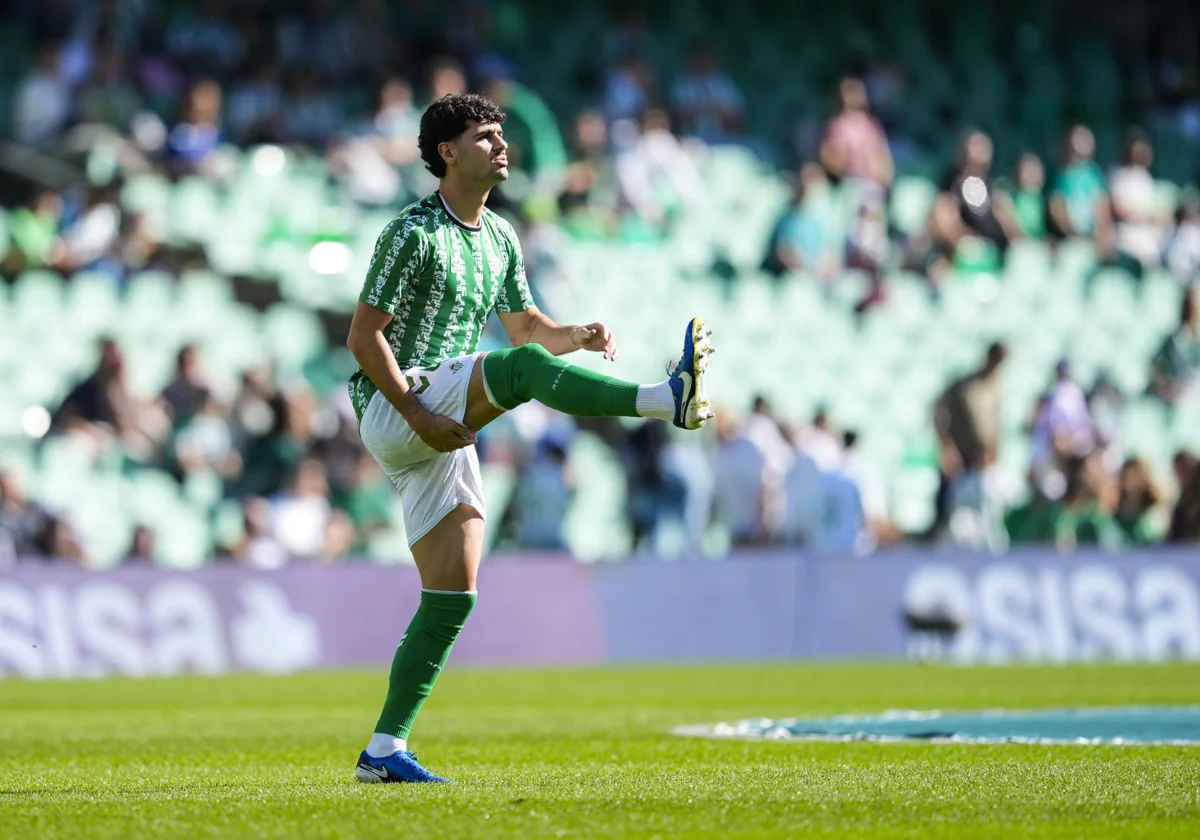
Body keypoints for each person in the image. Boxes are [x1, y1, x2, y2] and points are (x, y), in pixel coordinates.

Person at [345, 94, 714, 784]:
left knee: (454, 593)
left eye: (501, 137)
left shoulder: (503, 237)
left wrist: (577, 334)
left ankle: (384, 751)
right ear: (447, 152)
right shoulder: (412, 233)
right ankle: (665, 400)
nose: (502, 147)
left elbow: (526, 331)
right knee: (517, 375)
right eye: (485, 137)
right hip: (400, 404)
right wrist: (416, 414)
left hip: (442, 422)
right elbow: (363, 337)